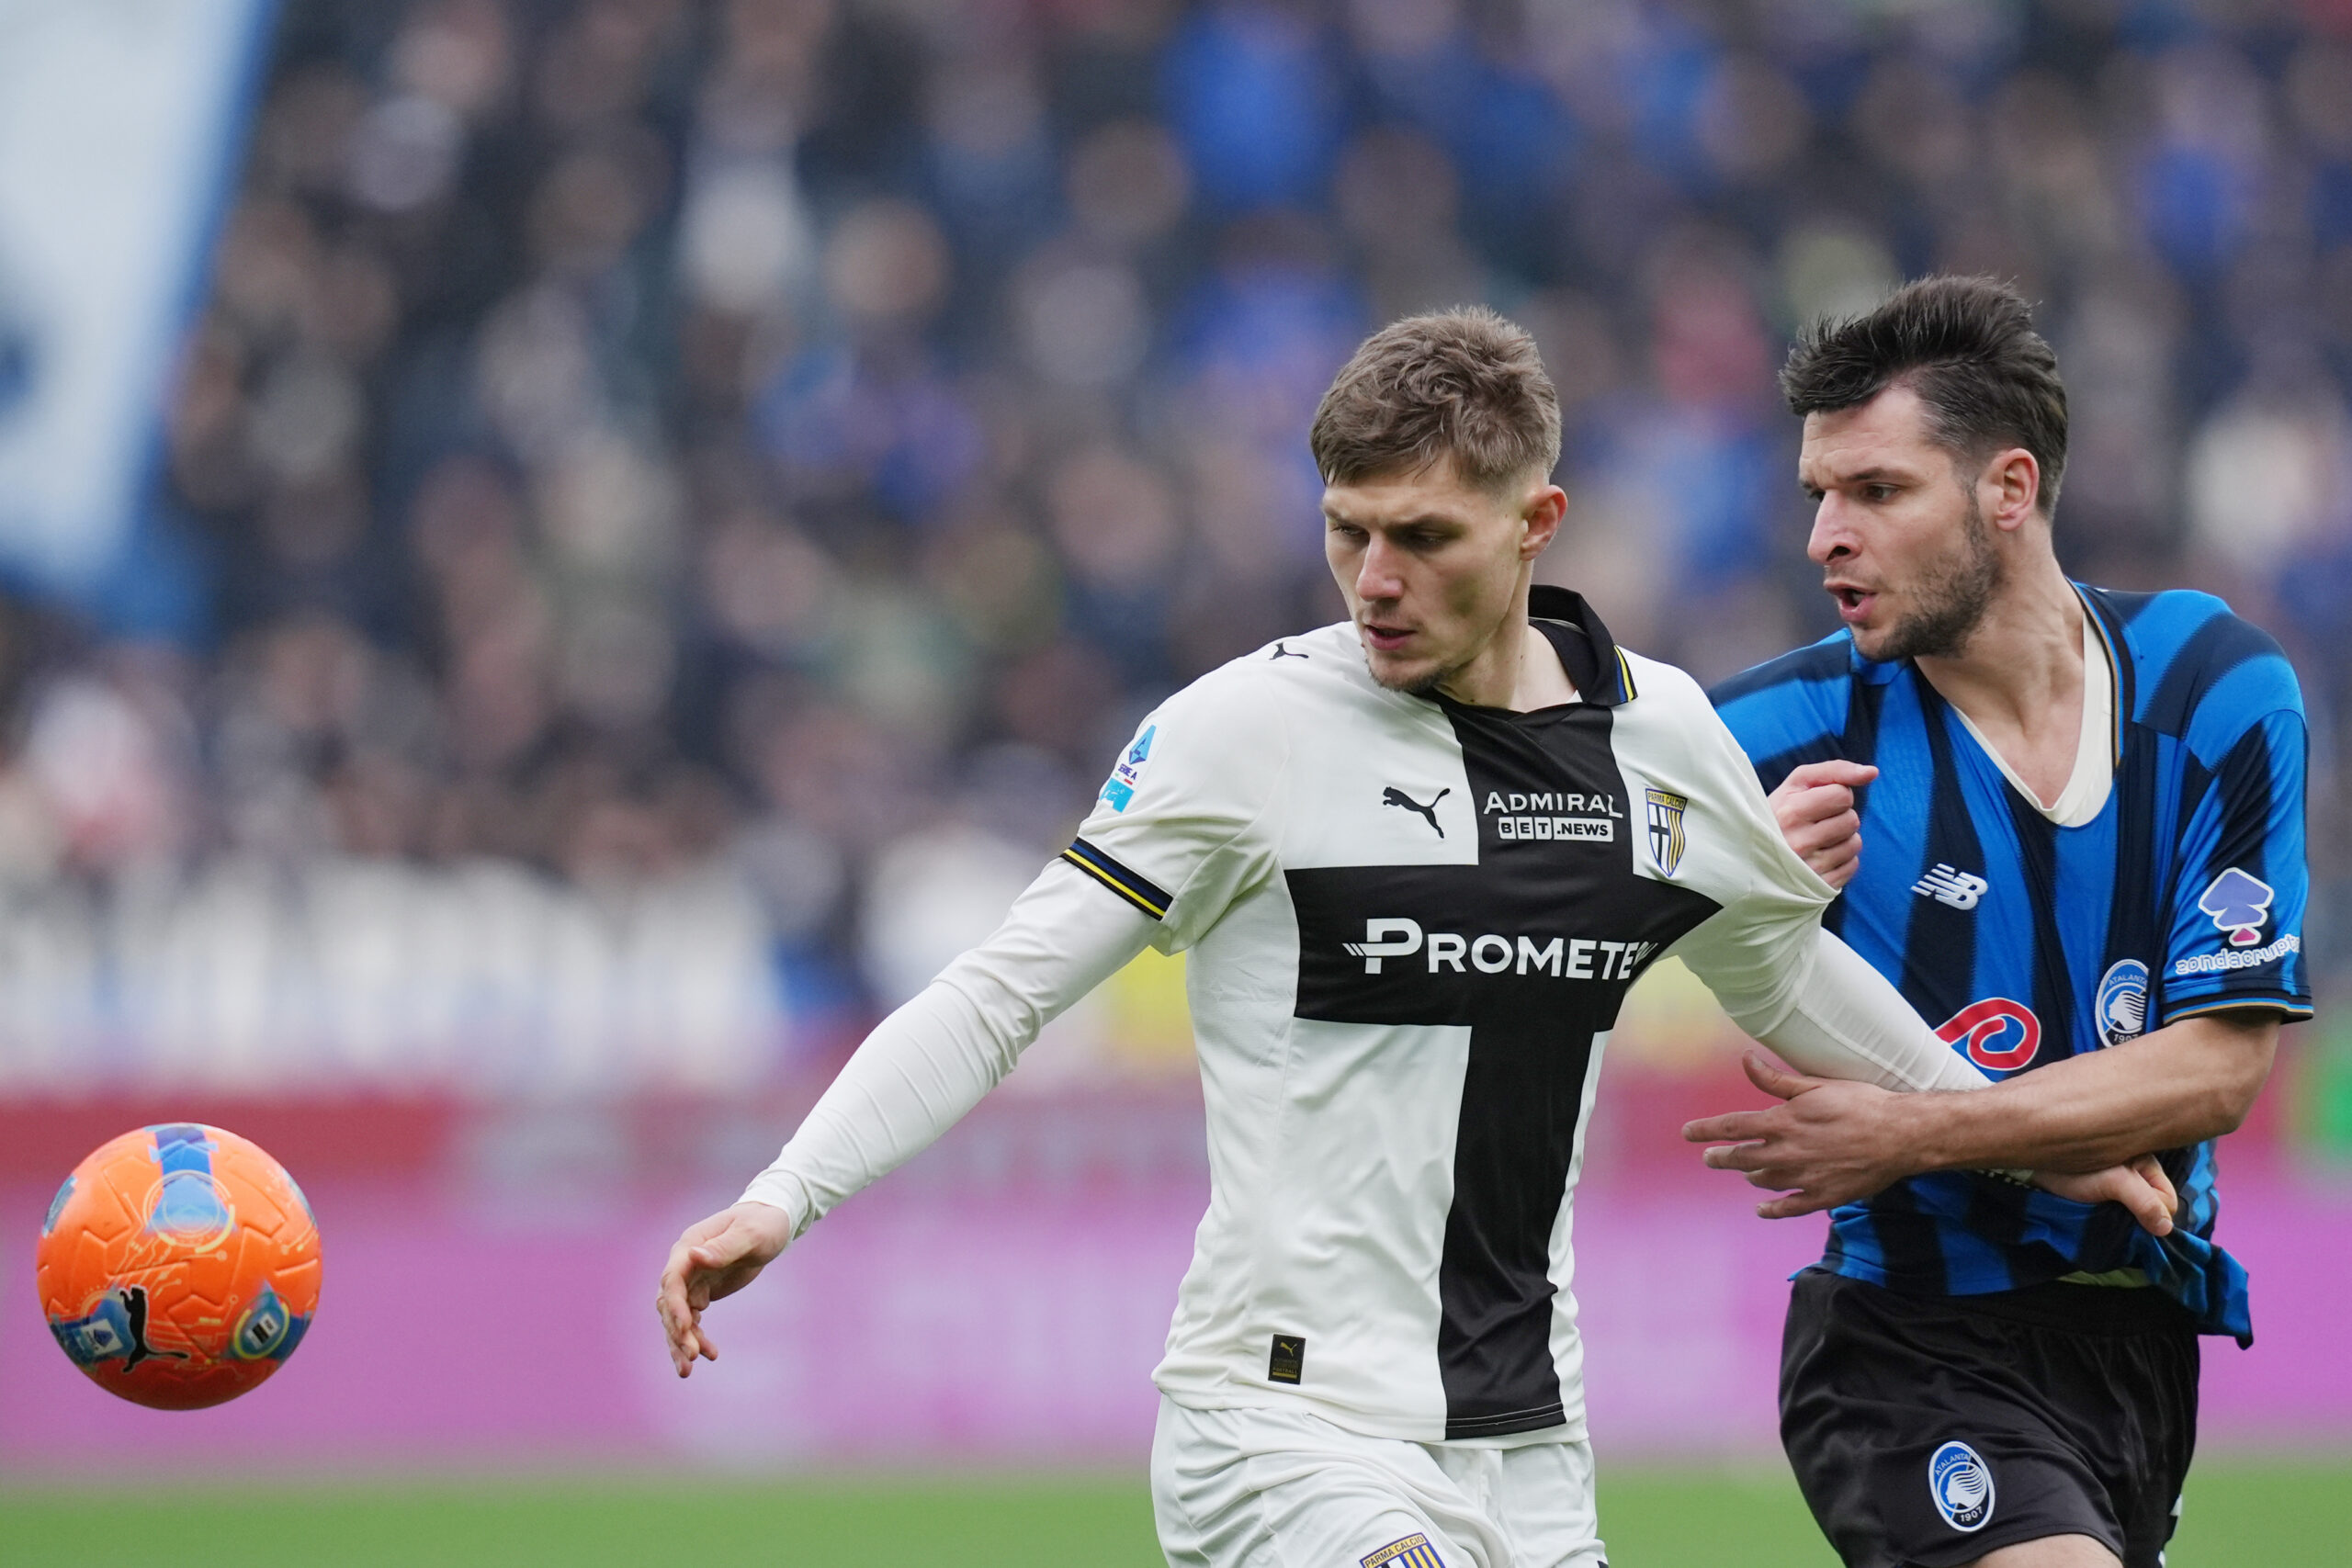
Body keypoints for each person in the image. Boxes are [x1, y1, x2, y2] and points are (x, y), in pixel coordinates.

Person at [657, 308, 2167, 1568]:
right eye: (1348, 530)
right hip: (1284, 1432)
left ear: (1536, 526)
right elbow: (1001, 995)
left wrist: (2011, 1133)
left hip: (1530, 1450)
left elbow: (1777, 971)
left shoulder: (1658, 738)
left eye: (1424, 536)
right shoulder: (1243, 734)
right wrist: (783, 1199)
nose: (1375, 579)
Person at [1691, 276, 2312, 1568]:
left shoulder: (2214, 689)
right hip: (1904, 1338)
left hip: (2142, 1342)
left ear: (2009, 489)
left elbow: (2217, 1070)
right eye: (1818, 495)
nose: (1826, 538)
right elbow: (1531, 834)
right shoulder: (1765, 738)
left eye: (1877, 491)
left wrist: (1916, 1131)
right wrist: (1722, 869)